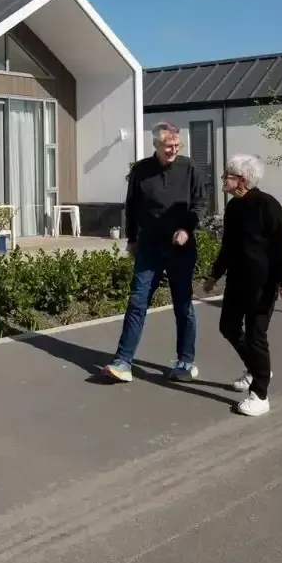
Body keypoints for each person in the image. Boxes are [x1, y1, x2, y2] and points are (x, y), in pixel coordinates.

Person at [102, 122, 208, 384]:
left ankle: (185, 360)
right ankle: (123, 361)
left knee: (182, 305)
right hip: (149, 246)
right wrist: (132, 239)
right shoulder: (141, 171)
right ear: (156, 146)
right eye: (168, 145)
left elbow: (200, 204)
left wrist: (186, 228)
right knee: (137, 301)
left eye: (176, 145)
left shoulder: (189, 168)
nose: (173, 149)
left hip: (180, 247)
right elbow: (133, 206)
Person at [201, 153, 282, 417]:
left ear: (241, 180)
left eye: (226, 177)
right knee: (228, 326)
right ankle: (258, 368)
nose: (223, 181)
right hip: (237, 282)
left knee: (256, 336)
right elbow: (228, 247)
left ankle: (260, 394)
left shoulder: (267, 205)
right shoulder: (233, 208)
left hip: (263, 284)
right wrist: (214, 275)